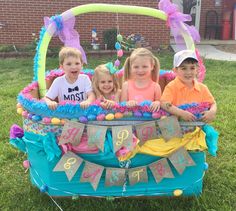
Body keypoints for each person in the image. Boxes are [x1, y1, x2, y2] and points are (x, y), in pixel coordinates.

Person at [161, 49, 217, 123]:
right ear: (175, 70)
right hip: (178, 124)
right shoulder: (171, 87)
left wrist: (212, 112)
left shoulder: (202, 88)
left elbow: (212, 103)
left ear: (197, 70)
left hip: (196, 125)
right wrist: (181, 113)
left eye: (192, 68)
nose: (188, 72)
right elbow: (164, 103)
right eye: (184, 68)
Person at [120, 48, 161, 112]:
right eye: (136, 67)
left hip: (149, 120)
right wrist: (127, 104)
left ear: (152, 66)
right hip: (131, 120)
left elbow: (159, 106)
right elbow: (121, 106)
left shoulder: (156, 87)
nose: (140, 70)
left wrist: (158, 103)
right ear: (130, 67)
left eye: (144, 66)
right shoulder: (126, 85)